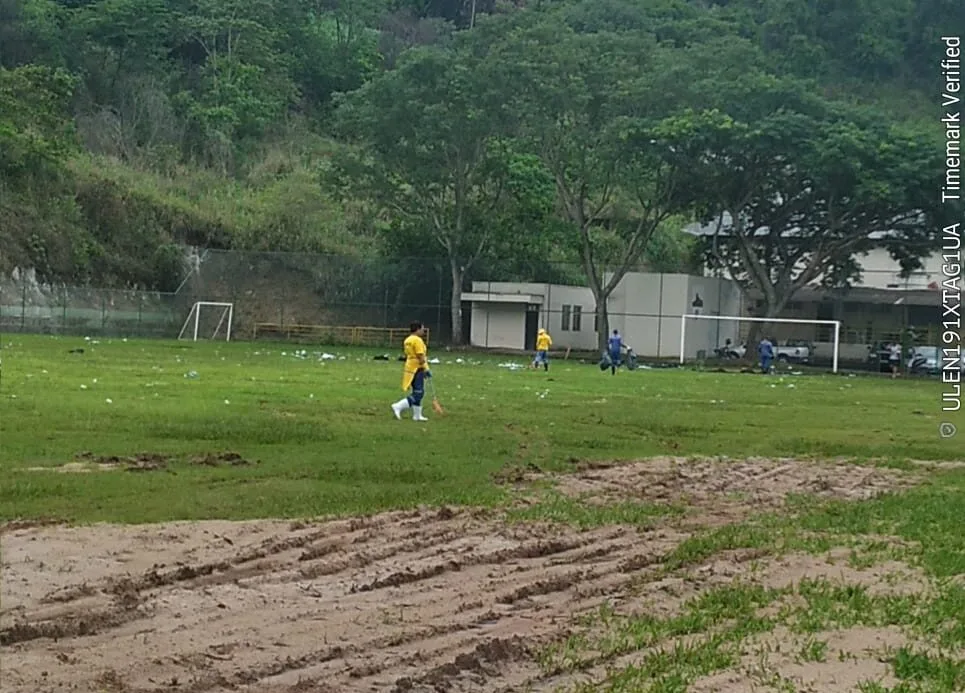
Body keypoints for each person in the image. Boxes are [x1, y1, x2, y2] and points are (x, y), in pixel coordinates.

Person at [391, 321, 431, 421]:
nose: (423, 331)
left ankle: (417, 415)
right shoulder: (418, 340)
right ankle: (398, 406)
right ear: (417, 329)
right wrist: (426, 369)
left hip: (409, 367)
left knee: (416, 390)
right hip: (417, 368)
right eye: (422, 329)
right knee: (419, 392)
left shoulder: (407, 340)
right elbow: (420, 356)